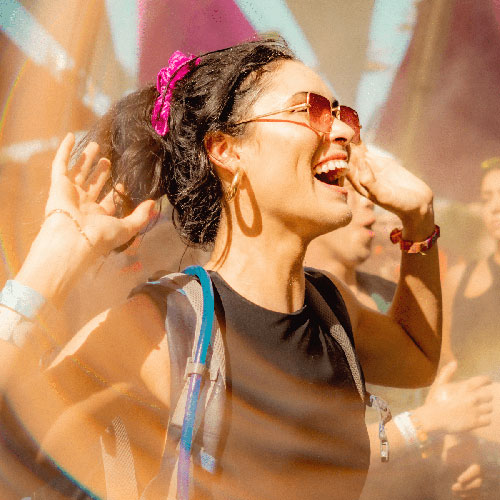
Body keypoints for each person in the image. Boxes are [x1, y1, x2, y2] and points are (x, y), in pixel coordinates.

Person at [0, 38, 442, 500]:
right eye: (307, 110)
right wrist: (52, 260)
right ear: (227, 151)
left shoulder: (331, 309)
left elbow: (416, 358)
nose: (345, 133)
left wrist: (419, 222)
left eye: (341, 113)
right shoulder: (169, 327)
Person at [306, 180, 492, 499]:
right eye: (340, 185)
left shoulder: (395, 297)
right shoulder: (294, 309)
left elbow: (440, 392)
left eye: (367, 193)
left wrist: (453, 452)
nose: (368, 204)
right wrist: (428, 424)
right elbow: (320, 460)